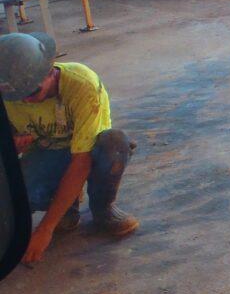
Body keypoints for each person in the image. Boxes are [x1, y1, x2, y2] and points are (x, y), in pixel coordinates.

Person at [0, 32, 140, 264]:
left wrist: (45, 230)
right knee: (17, 196)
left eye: (32, 93)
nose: (25, 102)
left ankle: (103, 208)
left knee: (114, 144)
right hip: (46, 151)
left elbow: (81, 161)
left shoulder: (81, 85)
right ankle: (66, 209)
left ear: (50, 70)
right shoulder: (7, 91)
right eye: (17, 97)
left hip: (87, 152)